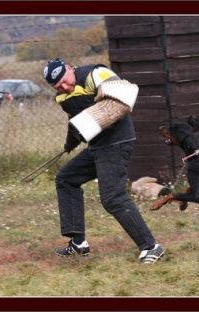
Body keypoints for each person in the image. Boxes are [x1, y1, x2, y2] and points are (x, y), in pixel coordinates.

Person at [43, 58, 165, 264]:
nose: (64, 87)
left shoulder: (94, 74)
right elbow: (75, 122)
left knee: (112, 197)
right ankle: (78, 242)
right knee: (66, 178)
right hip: (98, 147)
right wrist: (69, 143)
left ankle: (151, 246)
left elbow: (122, 93)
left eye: (65, 80)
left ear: (71, 69)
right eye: (58, 86)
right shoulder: (62, 99)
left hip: (118, 142)